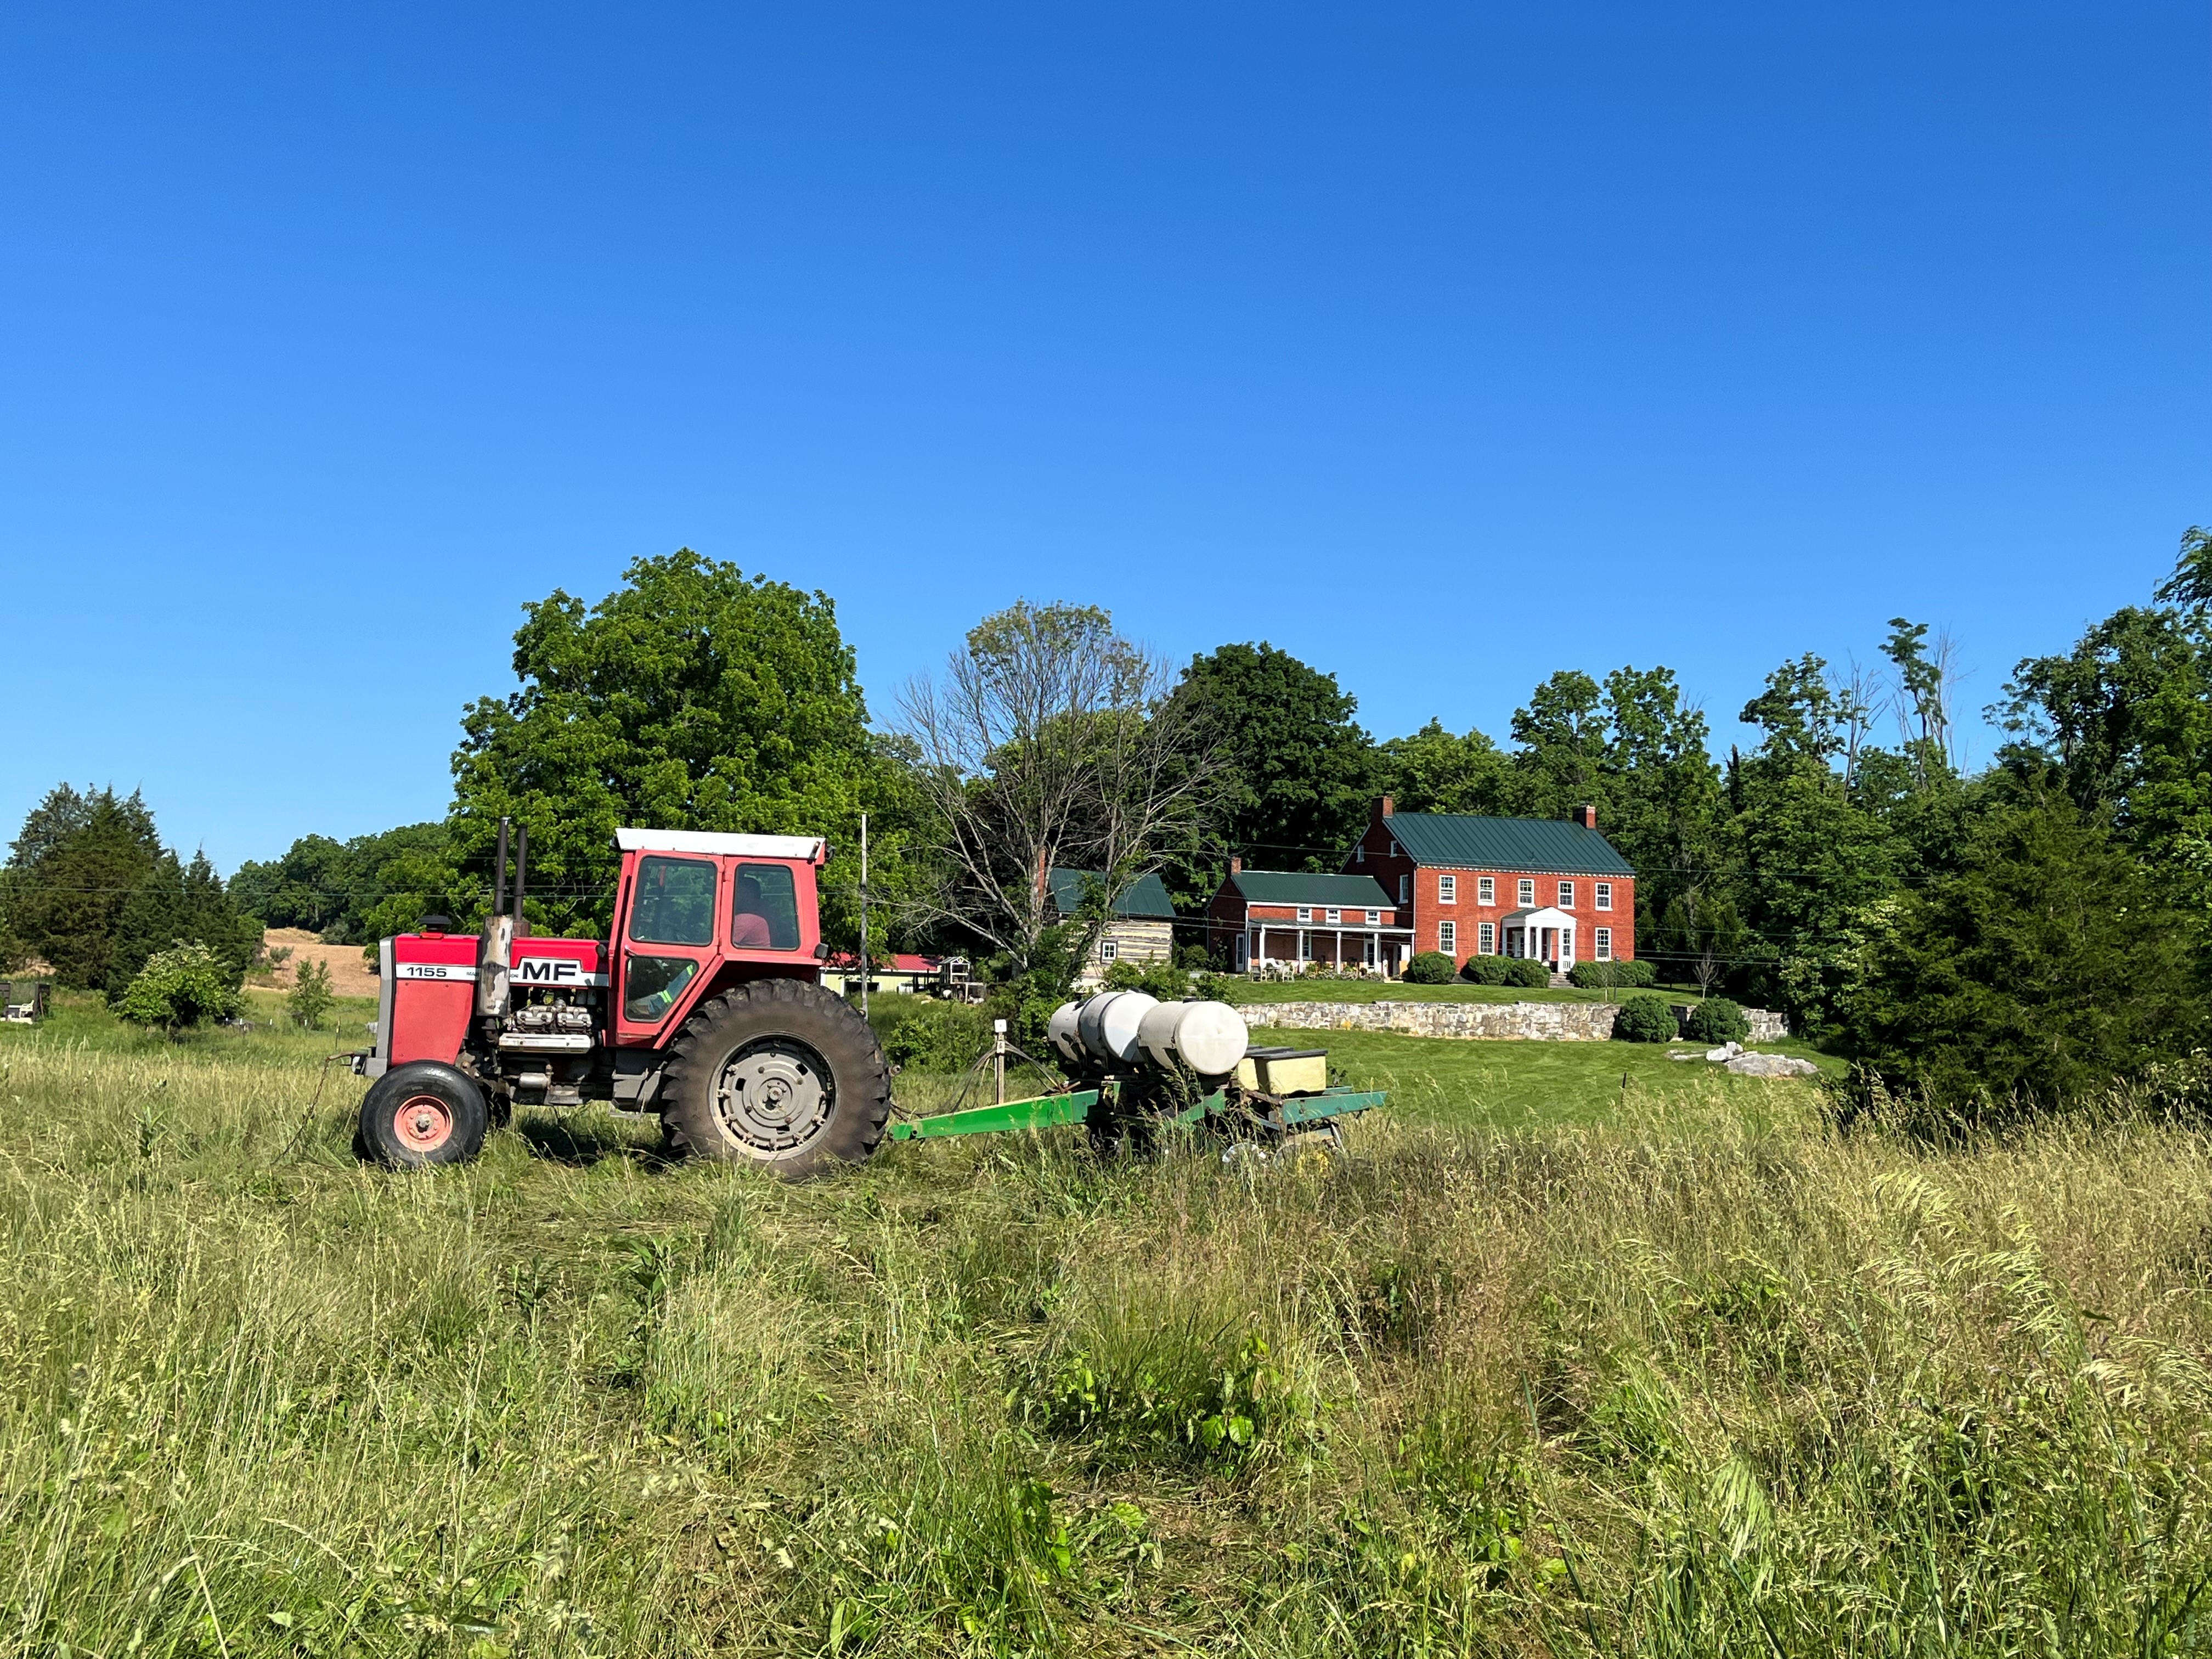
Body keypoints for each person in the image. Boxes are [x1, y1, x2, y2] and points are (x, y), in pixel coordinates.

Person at [732, 873, 772, 949]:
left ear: (748, 896)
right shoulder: (762, 917)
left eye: (738, 893)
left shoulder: (746, 919)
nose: (734, 896)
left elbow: (723, 945)